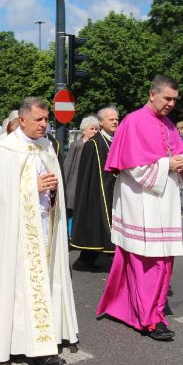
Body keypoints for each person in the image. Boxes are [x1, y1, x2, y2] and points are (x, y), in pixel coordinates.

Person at [0, 97, 79, 365]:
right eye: (39, 119)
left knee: (43, 284)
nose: (45, 125)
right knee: (22, 290)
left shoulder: (47, 147)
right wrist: (31, 186)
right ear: (22, 120)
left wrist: (53, 190)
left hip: (45, 226)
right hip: (17, 232)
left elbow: (54, 183)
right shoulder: (4, 149)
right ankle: (36, 348)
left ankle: (46, 336)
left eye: (46, 119)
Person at [96, 75, 183, 341]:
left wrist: (181, 163)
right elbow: (131, 165)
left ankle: (150, 312)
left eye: (175, 99)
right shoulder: (133, 121)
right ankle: (149, 319)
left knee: (163, 260)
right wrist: (166, 166)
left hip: (164, 201)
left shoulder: (169, 124)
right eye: (167, 98)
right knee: (146, 261)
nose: (171, 104)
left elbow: (182, 155)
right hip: (141, 201)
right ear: (152, 94)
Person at [70, 106, 120, 270]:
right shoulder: (93, 144)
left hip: (116, 189)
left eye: (116, 118)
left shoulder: (116, 140)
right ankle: (111, 258)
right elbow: (88, 177)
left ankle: (89, 257)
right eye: (110, 118)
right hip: (99, 192)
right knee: (103, 224)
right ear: (101, 122)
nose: (115, 121)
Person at [63, 115, 99, 232]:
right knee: (71, 213)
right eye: (92, 129)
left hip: (89, 185)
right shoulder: (77, 145)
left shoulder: (97, 145)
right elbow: (67, 165)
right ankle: (69, 236)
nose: (94, 131)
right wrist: (64, 185)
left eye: (96, 129)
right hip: (74, 185)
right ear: (83, 130)